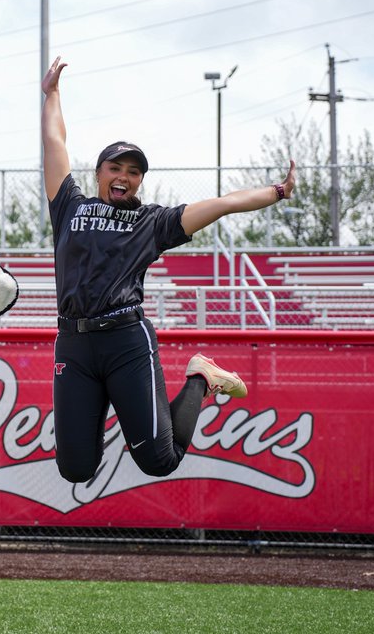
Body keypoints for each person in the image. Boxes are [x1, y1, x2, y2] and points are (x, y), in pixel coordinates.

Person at [40, 55, 296, 483]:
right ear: (99, 172)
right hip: (74, 345)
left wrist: (275, 192)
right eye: (116, 168)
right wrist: (52, 94)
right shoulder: (69, 205)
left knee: (160, 460)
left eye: (134, 172)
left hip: (125, 340)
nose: (125, 176)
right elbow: (54, 141)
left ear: (141, 181)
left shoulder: (151, 223)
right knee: (75, 469)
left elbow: (223, 204)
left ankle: (200, 376)